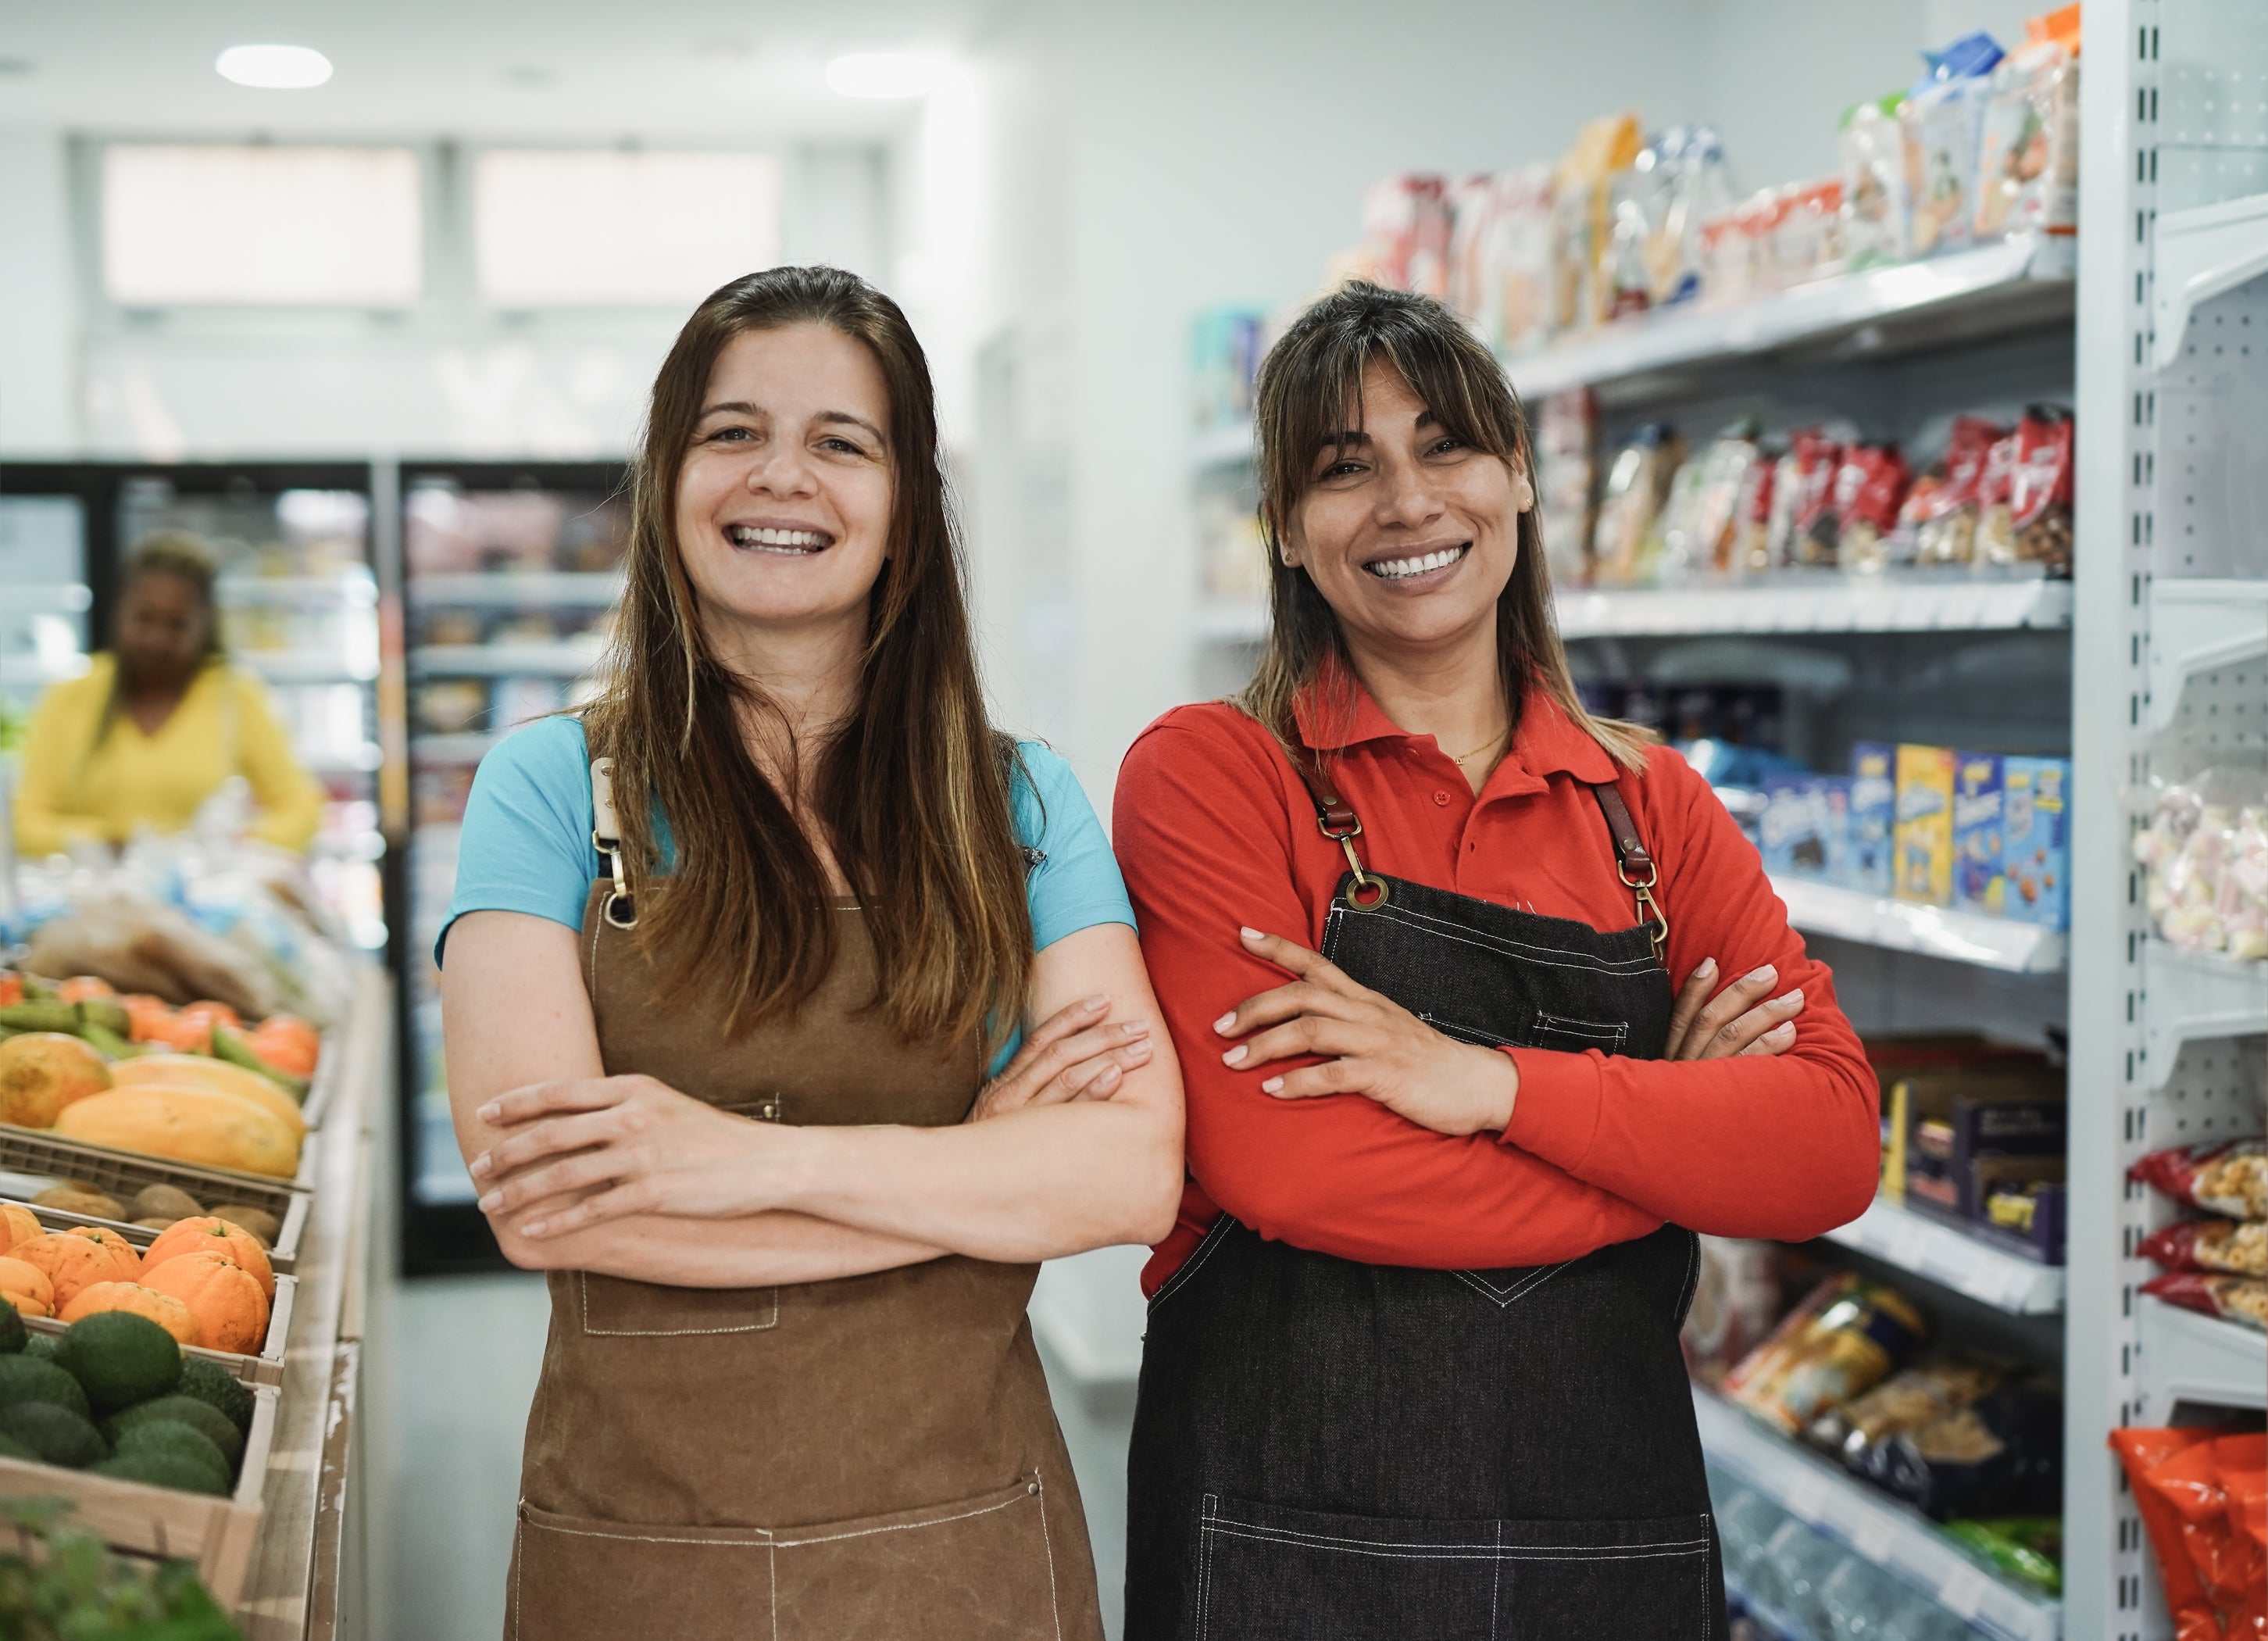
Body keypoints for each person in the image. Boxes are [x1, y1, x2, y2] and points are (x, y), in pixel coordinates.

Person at [1113, 284, 1880, 1641]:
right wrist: (1655, 1154)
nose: (1408, 502)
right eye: (1343, 468)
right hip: (1284, 1545)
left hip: (1609, 1541)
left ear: (1518, 480)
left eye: (1447, 446)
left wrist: (1482, 1085)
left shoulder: (1650, 808)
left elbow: (1823, 1150)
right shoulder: (1216, 776)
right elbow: (1292, 1164)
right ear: (1286, 531)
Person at [439, 266, 1184, 1641]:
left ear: (905, 511)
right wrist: (973, 1167)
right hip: (644, 1554)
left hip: (962, 1551)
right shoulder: (549, 789)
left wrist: (743, 1159)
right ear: (668, 482)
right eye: (731, 433)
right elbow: (548, 1203)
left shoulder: (1020, 809)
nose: (780, 477)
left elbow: (1130, 1172)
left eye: (840, 442)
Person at [13, 533, 324, 858]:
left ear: (206, 623)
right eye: (143, 618)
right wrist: (109, 845)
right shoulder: (71, 695)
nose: (157, 640)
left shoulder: (236, 695)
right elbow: (28, 824)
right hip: (91, 900)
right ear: (120, 609)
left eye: (177, 624)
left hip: (205, 901)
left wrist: (234, 846)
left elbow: (300, 809)